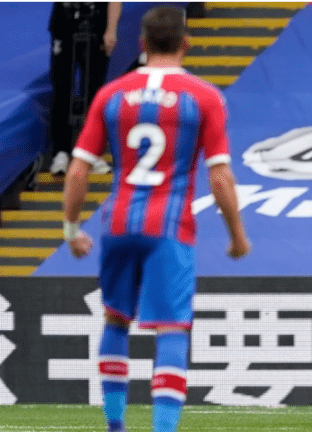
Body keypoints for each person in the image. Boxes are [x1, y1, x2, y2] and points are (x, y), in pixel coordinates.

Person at [61, 7, 250, 432]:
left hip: (117, 222)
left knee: (115, 318)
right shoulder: (203, 96)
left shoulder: (111, 94)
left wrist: (72, 230)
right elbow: (219, 175)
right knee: (171, 329)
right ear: (186, 43)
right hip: (169, 226)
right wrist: (237, 236)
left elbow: (77, 171)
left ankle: (115, 425)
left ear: (142, 45)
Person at [49, 2, 121, 175]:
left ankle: (92, 152)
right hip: (64, 22)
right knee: (61, 89)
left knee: (94, 92)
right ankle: (61, 152)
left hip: (97, 24)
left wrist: (111, 29)